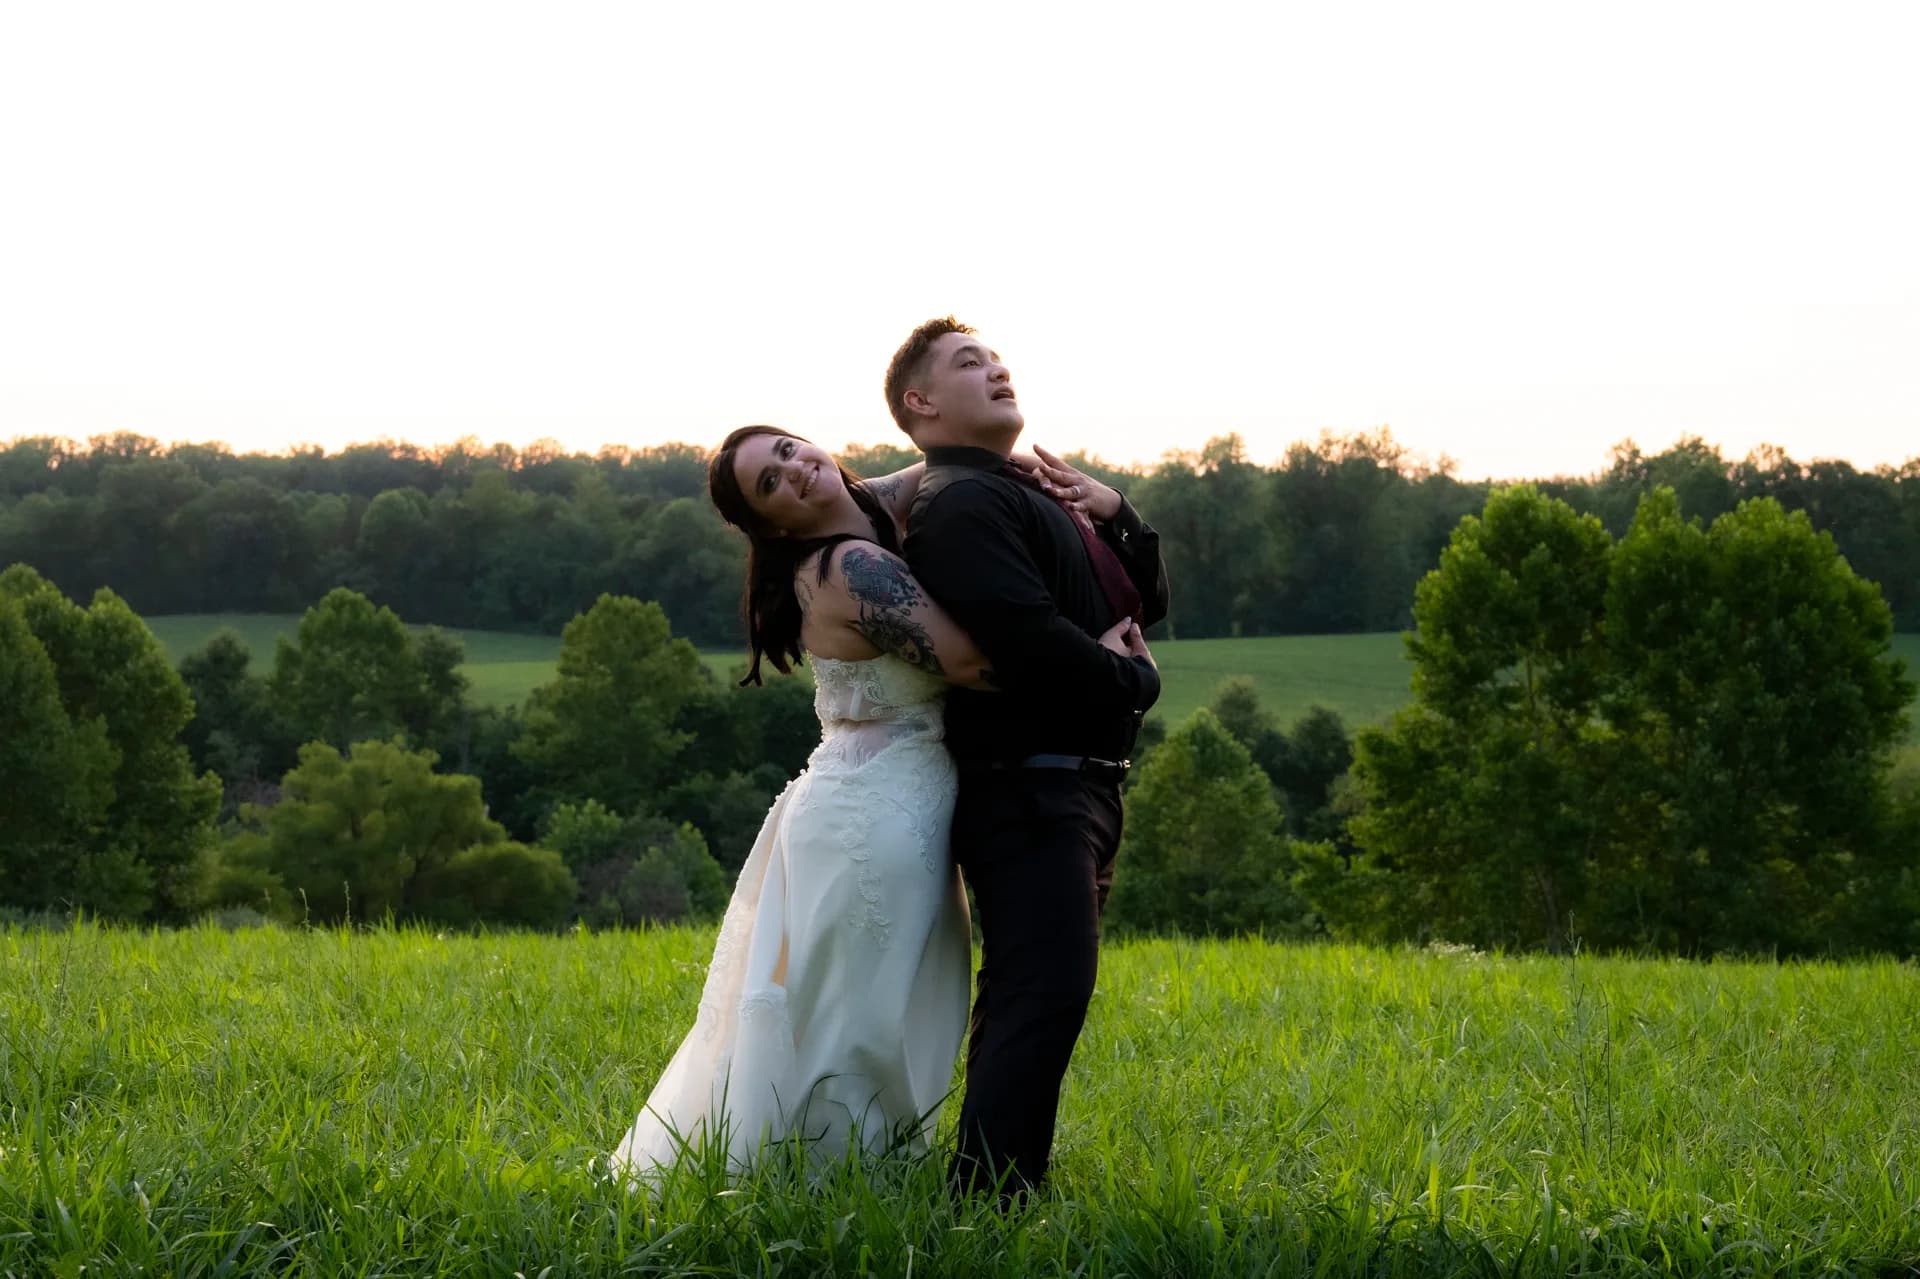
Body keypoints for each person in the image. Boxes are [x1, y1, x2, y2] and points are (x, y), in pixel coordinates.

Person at [609, 423, 1134, 1181]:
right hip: (873, 812)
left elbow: (948, 462)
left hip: (902, 800)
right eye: (769, 483)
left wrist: (1088, 494)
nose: (793, 472)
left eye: (789, 450)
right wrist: (1104, 661)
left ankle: (854, 1165)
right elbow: (973, 662)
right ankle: (814, 1173)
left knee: (873, 1001)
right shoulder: (849, 565)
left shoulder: (873, 503)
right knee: (853, 1011)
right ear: (770, 524)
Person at [887, 317, 1170, 1198]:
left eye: (999, 360)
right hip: (1029, 787)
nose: (997, 371)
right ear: (920, 403)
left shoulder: (1025, 491)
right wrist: (1133, 685)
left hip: (1071, 785)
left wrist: (1112, 509)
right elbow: (1027, 639)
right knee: (1037, 993)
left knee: (1046, 991)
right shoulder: (961, 503)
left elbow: (1141, 601)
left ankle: (997, 1190)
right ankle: (989, 1203)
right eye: (970, 364)